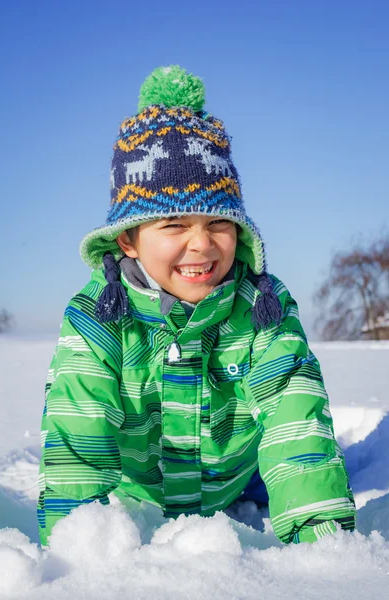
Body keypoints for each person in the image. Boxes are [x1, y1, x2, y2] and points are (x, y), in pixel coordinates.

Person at [38, 65, 356, 547]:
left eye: (218, 223)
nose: (201, 244)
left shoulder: (261, 310)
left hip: (237, 480)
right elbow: (77, 435)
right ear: (128, 239)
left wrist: (325, 545)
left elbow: (295, 421)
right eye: (173, 225)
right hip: (139, 494)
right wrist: (76, 555)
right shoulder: (97, 319)